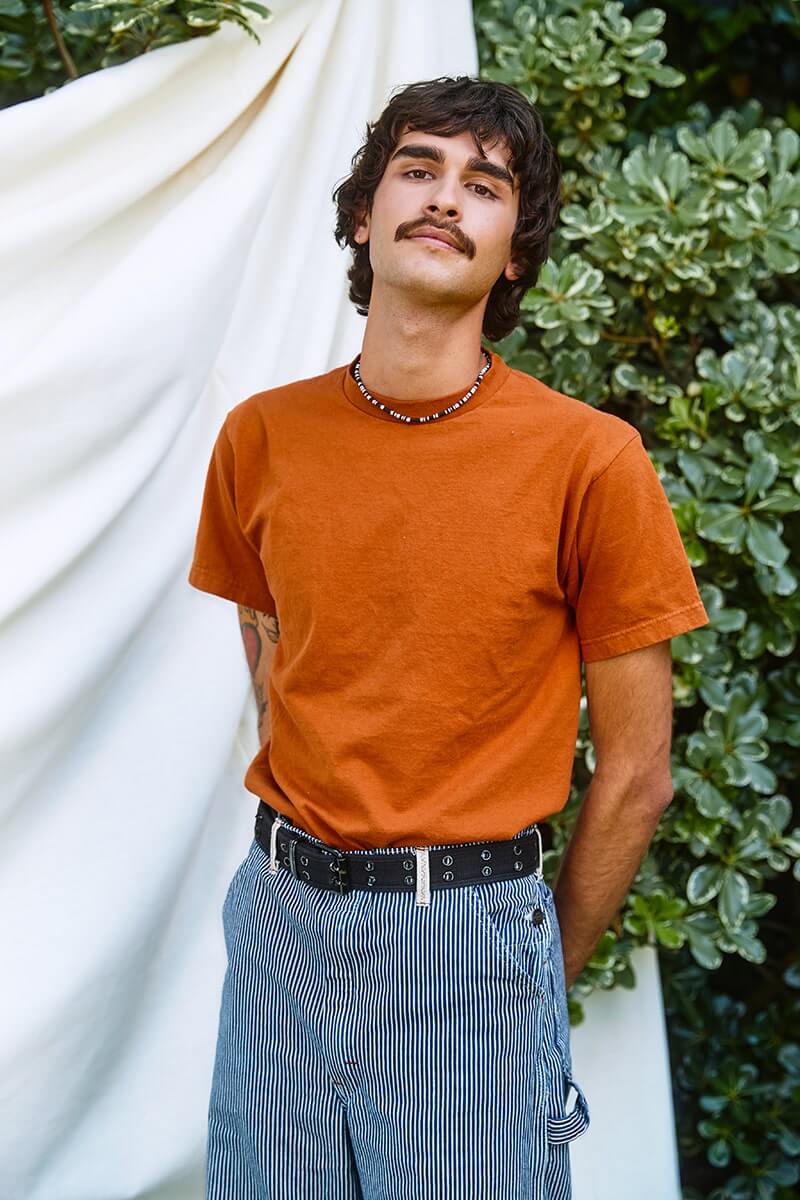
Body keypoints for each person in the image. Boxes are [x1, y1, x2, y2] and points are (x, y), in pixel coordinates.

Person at [188, 75, 709, 1200]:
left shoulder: (589, 461)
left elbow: (635, 776)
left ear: (512, 254)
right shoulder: (260, 438)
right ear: (363, 213)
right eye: (416, 168)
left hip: (470, 944)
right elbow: (274, 657)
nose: (442, 199)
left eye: (483, 186)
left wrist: (524, 967)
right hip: (278, 924)